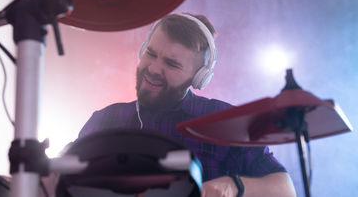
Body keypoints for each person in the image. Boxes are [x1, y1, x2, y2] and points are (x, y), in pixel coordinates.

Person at [78, 13, 296, 197]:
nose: (154, 68)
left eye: (171, 64)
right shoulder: (105, 119)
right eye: (151, 54)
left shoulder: (223, 120)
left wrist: (233, 185)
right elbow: (60, 183)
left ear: (199, 77)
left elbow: (285, 190)